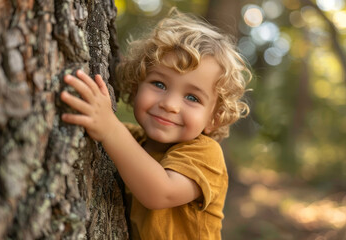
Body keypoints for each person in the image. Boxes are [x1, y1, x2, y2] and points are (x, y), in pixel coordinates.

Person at [61, 8, 251, 240]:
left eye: (192, 98)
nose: (170, 104)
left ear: (214, 119)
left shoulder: (205, 154)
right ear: (136, 85)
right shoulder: (133, 141)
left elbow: (160, 192)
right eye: (159, 84)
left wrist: (109, 128)